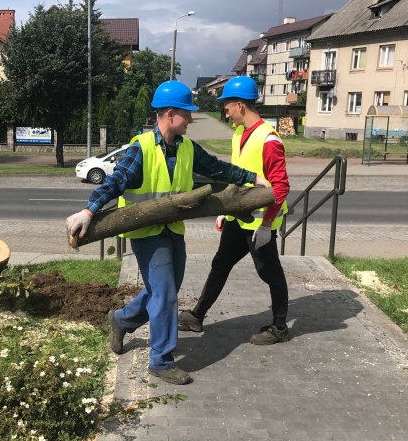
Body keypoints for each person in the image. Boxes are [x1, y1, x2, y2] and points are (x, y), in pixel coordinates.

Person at [65, 80, 268, 385]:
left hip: (173, 229)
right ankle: (160, 360)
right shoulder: (142, 148)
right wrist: (88, 210)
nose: (190, 119)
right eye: (187, 114)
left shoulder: (186, 147)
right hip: (146, 233)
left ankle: (121, 320)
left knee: (163, 292)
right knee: (166, 296)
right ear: (171, 114)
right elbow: (116, 181)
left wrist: (251, 177)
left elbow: (216, 168)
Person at [178, 76, 291, 345]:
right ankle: (197, 315)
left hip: (259, 221)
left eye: (227, 105)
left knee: (270, 272)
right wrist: (224, 208)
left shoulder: (269, 140)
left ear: (240, 105)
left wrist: (266, 226)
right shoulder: (240, 133)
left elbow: (281, 187)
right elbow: (237, 176)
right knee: (220, 264)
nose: (224, 110)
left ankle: (280, 328)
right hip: (237, 215)